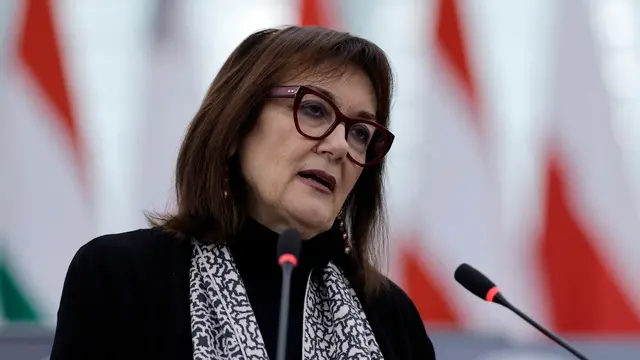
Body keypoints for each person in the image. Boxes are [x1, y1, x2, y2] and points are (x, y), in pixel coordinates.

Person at [50, 26, 436, 360]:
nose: (339, 146)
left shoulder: (390, 317)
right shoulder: (122, 277)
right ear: (236, 127)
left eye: (361, 133)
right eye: (315, 110)